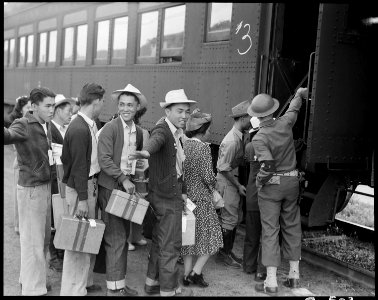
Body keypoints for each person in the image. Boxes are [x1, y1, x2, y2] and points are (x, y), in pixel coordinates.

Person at [129, 89, 196, 296]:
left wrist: (183, 192)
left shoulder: (176, 132)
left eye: (187, 111)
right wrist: (146, 152)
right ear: (167, 111)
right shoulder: (163, 130)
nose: (184, 116)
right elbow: (155, 142)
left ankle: (151, 284)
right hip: (166, 198)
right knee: (171, 247)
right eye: (179, 111)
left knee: (160, 243)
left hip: (167, 195)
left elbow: (177, 166)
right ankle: (169, 290)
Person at [248, 88, 308, 294]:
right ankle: (294, 277)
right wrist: (299, 94)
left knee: (270, 230)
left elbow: (268, 166)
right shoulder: (285, 123)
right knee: (292, 227)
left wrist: (259, 181)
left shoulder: (259, 137)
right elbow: (293, 109)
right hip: (292, 183)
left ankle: (271, 281)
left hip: (271, 187)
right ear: (273, 110)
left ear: (255, 115)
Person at [4, 87, 56, 296]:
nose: (52, 110)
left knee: (41, 240)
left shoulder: (46, 124)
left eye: (53, 105)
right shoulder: (24, 124)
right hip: (31, 189)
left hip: (43, 186)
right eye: (48, 106)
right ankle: (34, 290)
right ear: (34, 107)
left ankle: (30, 280)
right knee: (32, 242)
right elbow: (8, 136)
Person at [97, 83, 148, 296]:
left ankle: (118, 284)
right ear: (118, 107)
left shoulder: (137, 132)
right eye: (122, 104)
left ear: (137, 108)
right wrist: (123, 179)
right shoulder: (110, 128)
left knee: (123, 237)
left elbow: (131, 159)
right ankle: (114, 290)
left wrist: (141, 167)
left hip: (126, 188)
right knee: (116, 238)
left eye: (130, 105)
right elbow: (104, 160)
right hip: (111, 188)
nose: (125, 108)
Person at [60, 83, 105, 296]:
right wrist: (83, 199)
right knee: (75, 241)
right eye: (102, 101)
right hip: (82, 187)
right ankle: (72, 291)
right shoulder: (80, 128)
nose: (103, 105)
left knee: (84, 237)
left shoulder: (87, 124)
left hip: (86, 186)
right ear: (95, 102)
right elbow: (79, 167)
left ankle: (82, 285)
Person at [181, 109, 223, 288]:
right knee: (212, 239)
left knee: (188, 240)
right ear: (203, 130)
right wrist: (215, 184)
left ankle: (185, 276)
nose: (211, 133)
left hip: (186, 201)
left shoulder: (185, 144)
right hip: (202, 201)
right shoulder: (203, 148)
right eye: (209, 130)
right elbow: (208, 176)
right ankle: (195, 273)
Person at [215, 100, 252, 268]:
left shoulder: (241, 136)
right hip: (228, 183)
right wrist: (237, 185)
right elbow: (223, 168)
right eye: (250, 117)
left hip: (232, 181)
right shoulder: (232, 141)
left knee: (234, 218)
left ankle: (227, 251)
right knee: (229, 218)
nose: (252, 120)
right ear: (243, 118)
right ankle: (223, 253)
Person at [48, 94, 76, 272]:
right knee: (54, 216)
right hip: (53, 179)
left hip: (64, 178)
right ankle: (54, 256)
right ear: (58, 110)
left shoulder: (66, 128)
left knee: (61, 214)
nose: (71, 115)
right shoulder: (51, 130)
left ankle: (60, 253)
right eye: (68, 111)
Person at [242, 117, 266, 281]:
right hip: (267, 199)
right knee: (266, 237)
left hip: (251, 197)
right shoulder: (268, 146)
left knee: (251, 235)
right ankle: (261, 271)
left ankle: (248, 266)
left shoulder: (249, 146)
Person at [6, 95, 31, 235]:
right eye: (27, 107)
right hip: (20, 163)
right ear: (21, 110)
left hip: (26, 164)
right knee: (18, 197)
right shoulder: (19, 123)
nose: (30, 110)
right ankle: (18, 226)